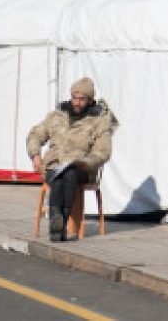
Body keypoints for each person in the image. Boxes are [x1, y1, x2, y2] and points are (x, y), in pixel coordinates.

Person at [26, 77, 117, 242]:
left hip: (81, 169)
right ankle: (58, 223)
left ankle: (60, 222)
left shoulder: (99, 121)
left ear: (90, 100)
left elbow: (104, 151)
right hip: (54, 165)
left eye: (82, 99)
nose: (77, 102)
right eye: (74, 97)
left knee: (70, 174)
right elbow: (36, 134)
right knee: (58, 176)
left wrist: (86, 162)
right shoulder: (56, 116)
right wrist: (35, 154)